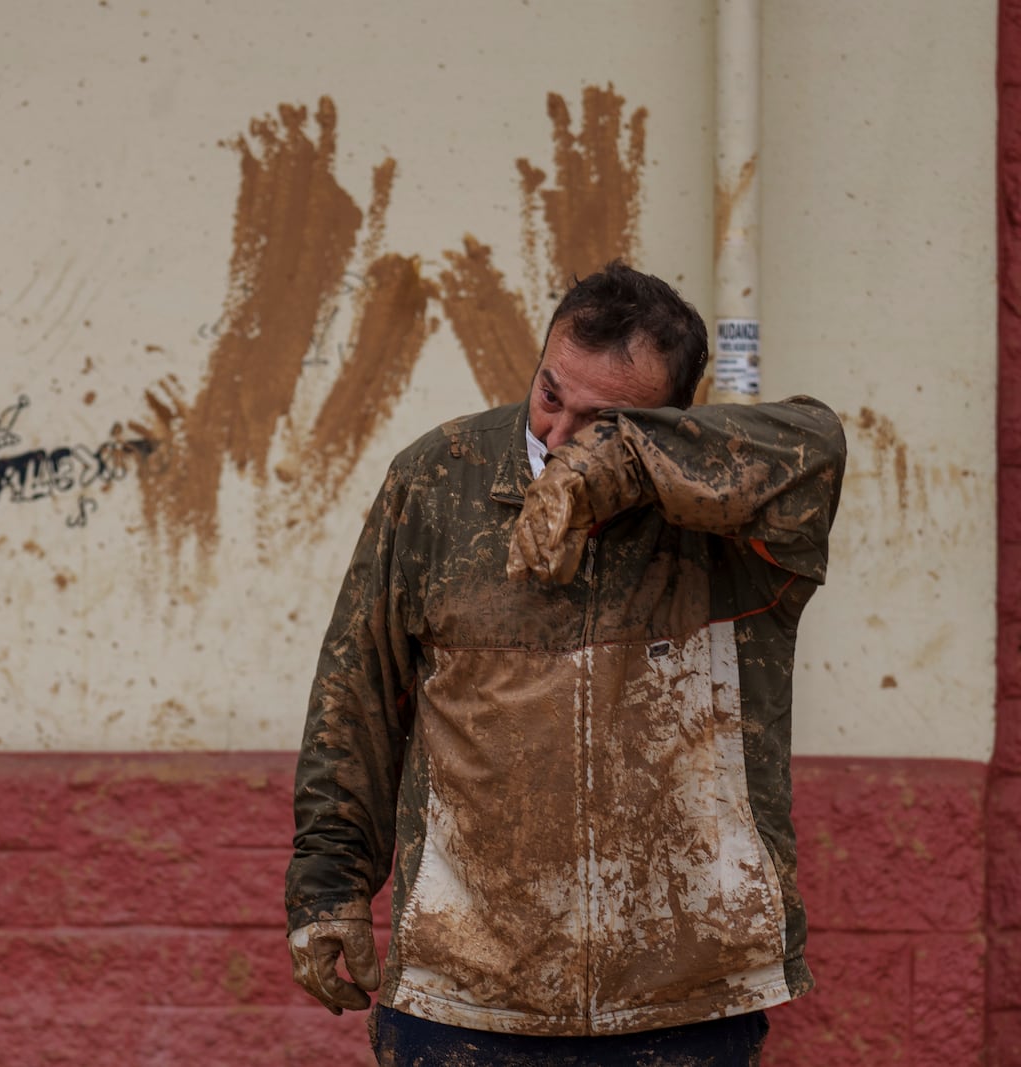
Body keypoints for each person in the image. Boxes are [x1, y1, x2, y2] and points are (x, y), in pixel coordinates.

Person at [285, 261, 846, 1066]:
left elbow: (816, 442)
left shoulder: (731, 532)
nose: (555, 436)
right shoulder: (437, 480)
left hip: (684, 999)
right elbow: (357, 696)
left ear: (664, 422)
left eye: (601, 420)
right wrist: (328, 887)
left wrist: (624, 464)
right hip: (463, 995)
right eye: (552, 394)